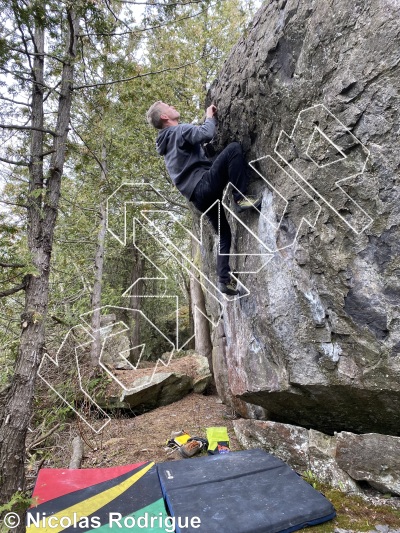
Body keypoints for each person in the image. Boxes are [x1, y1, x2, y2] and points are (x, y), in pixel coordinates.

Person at [146, 101, 261, 296]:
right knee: (233, 149)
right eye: (168, 106)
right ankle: (240, 199)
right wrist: (209, 116)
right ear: (165, 117)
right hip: (204, 185)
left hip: (199, 199)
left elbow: (197, 151)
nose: (173, 106)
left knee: (224, 234)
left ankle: (224, 280)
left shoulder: (167, 143)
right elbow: (206, 133)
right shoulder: (178, 131)